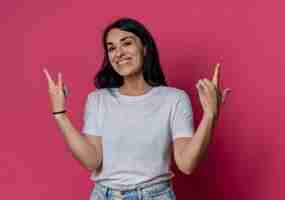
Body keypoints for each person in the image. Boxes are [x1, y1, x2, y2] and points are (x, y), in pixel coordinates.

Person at [43, 17, 230, 200]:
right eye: (111, 48)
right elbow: (92, 161)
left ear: (145, 48)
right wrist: (60, 115)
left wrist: (210, 115)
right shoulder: (98, 99)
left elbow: (187, 164)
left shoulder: (174, 99)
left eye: (127, 43)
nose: (119, 52)